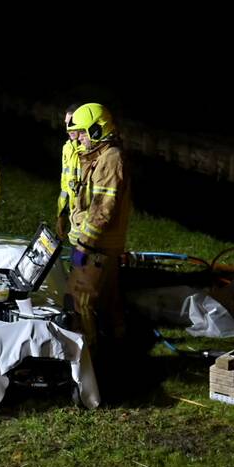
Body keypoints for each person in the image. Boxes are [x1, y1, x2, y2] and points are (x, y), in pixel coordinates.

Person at [65, 102, 132, 350]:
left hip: (97, 247)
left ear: (97, 130)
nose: (79, 138)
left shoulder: (110, 159)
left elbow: (102, 209)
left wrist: (83, 245)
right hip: (104, 246)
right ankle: (116, 347)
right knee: (108, 300)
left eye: (83, 132)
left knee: (79, 299)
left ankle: (88, 355)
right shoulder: (103, 156)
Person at [57, 103, 82, 244]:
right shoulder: (67, 148)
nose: (68, 128)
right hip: (72, 214)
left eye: (72, 123)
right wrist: (61, 214)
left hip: (86, 216)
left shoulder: (90, 150)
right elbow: (65, 185)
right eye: (66, 123)